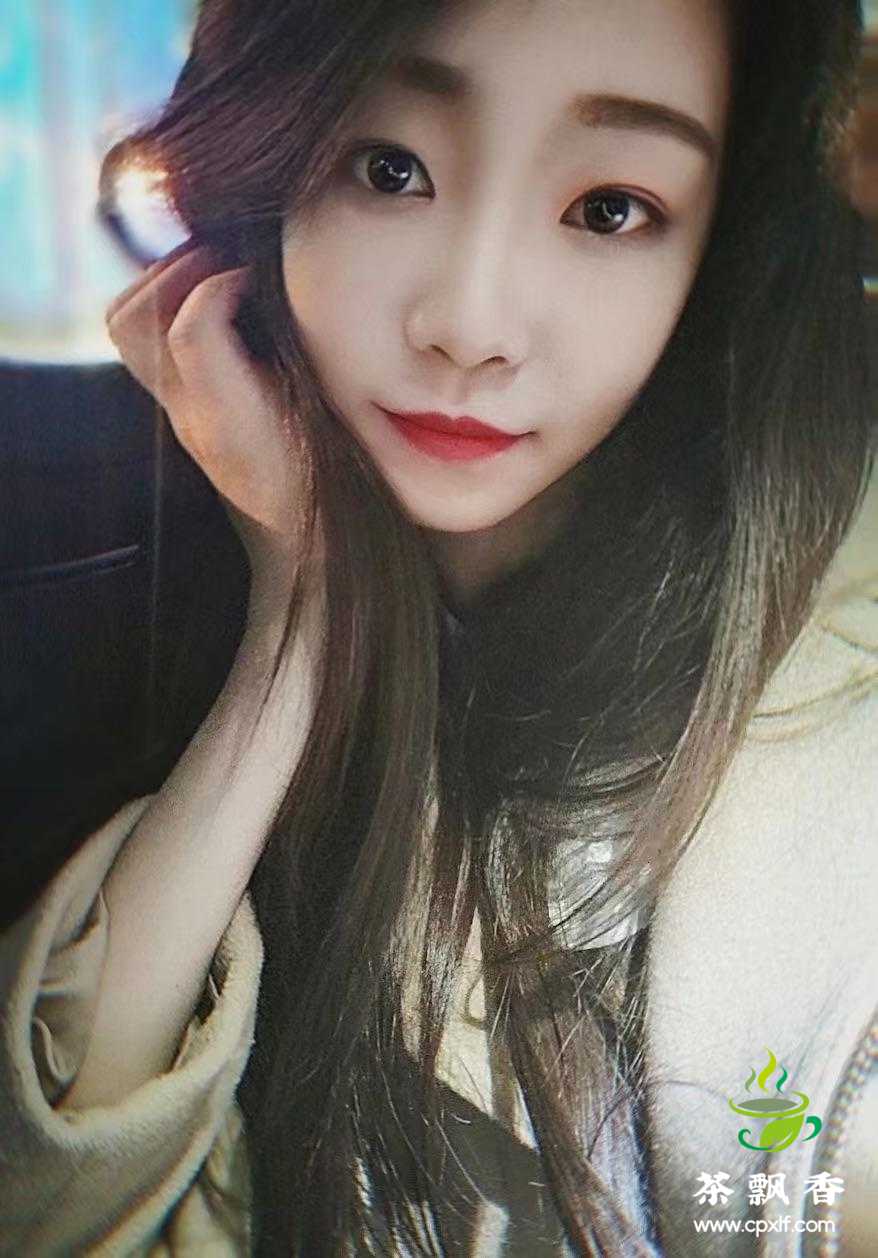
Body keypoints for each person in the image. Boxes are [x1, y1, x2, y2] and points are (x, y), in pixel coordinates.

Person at [1, 0, 876, 1254]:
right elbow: (53, 1203)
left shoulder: (828, 690)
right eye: (387, 168)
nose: (468, 326)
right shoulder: (175, 544)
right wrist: (301, 606)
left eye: (607, 208)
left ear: (718, 247)